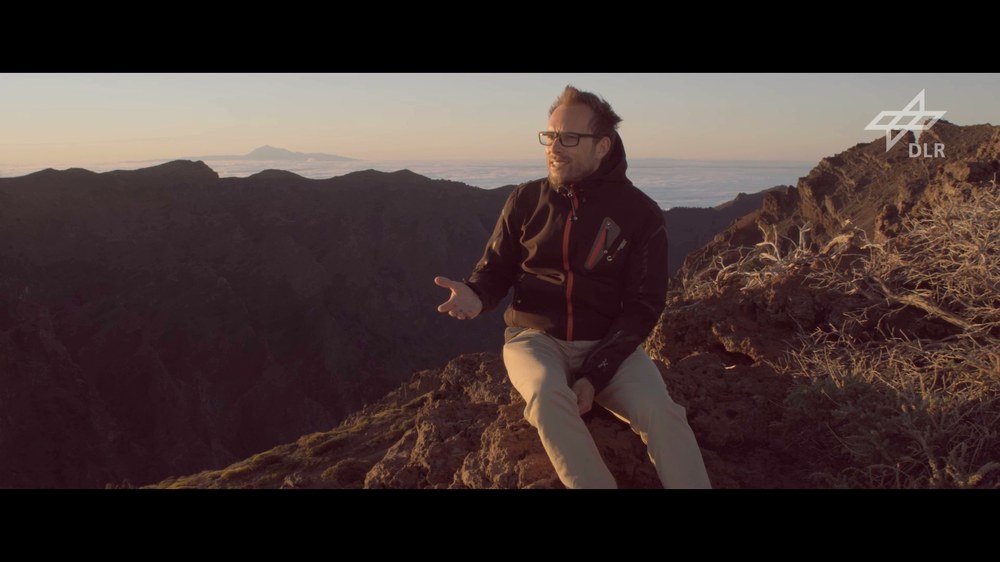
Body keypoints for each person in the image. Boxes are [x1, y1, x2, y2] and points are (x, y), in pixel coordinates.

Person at [434, 85, 711, 489]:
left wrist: (596, 374)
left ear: (602, 146)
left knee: (662, 413)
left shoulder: (640, 214)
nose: (554, 147)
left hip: (610, 343)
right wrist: (477, 295)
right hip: (534, 339)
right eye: (550, 136)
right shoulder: (526, 199)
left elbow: (643, 305)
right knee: (548, 398)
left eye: (569, 137)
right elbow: (495, 270)